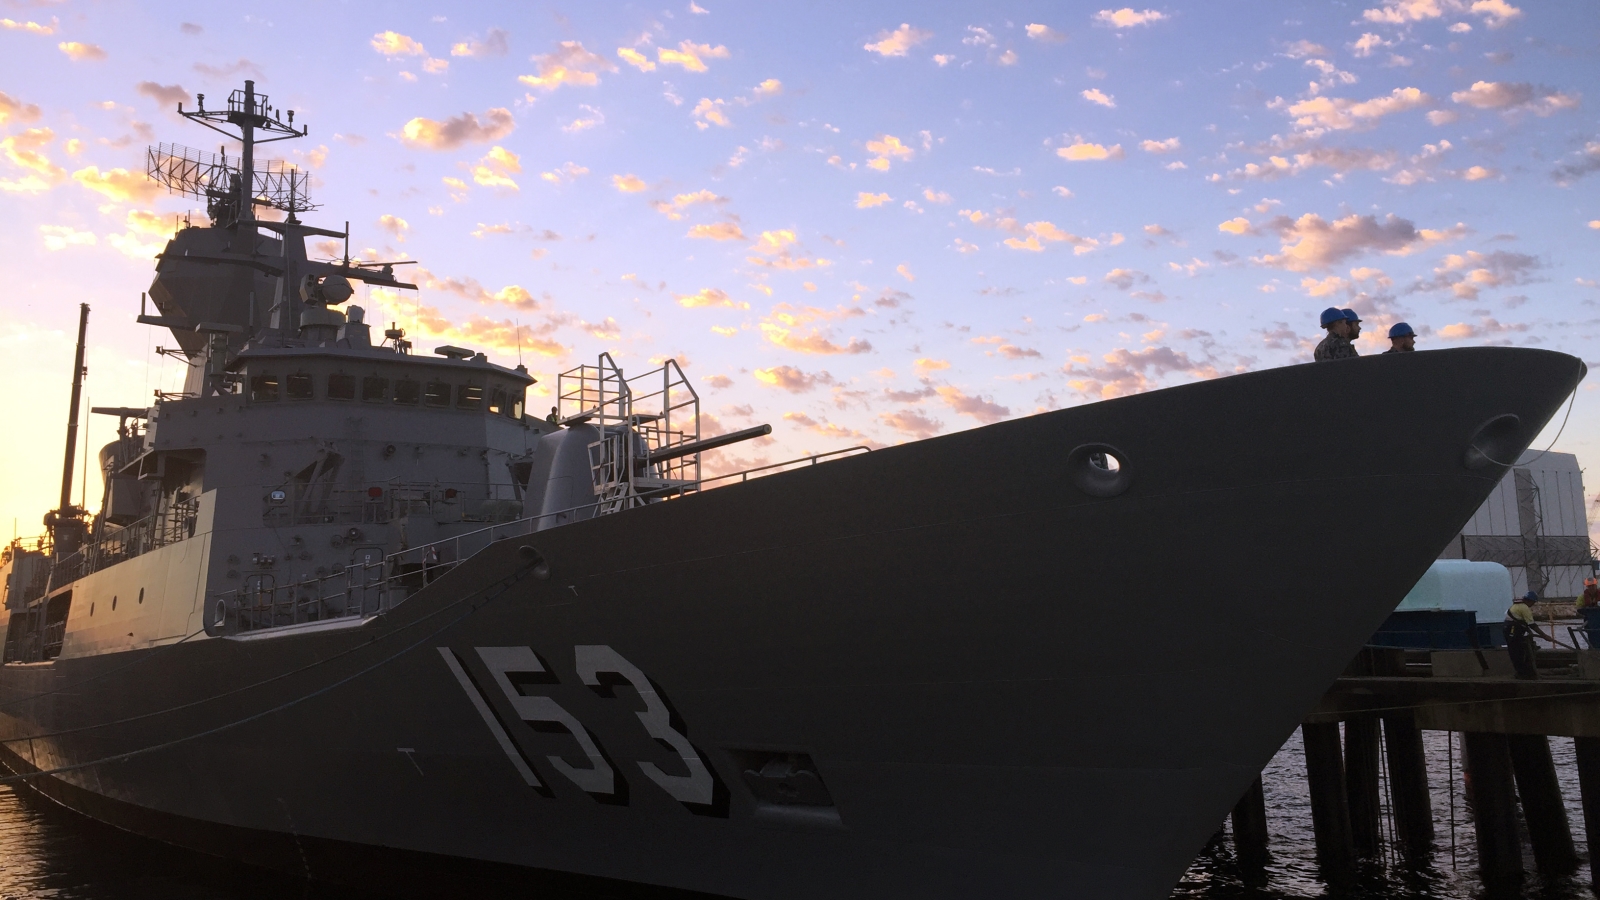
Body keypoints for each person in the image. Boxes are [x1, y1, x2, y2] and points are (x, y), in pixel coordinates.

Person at [1505, 590, 1548, 679]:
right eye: (1533, 602)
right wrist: (1544, 636)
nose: (1533, 604)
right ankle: (1523, 673)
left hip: (1509, 630)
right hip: (1513, 631)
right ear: (1530, 601)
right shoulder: (1524, 608)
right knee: (1518, 652)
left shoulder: (1516, 605)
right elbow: (1532, 625)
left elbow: (1522, 621)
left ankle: (1522, 672)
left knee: (1516, 652)